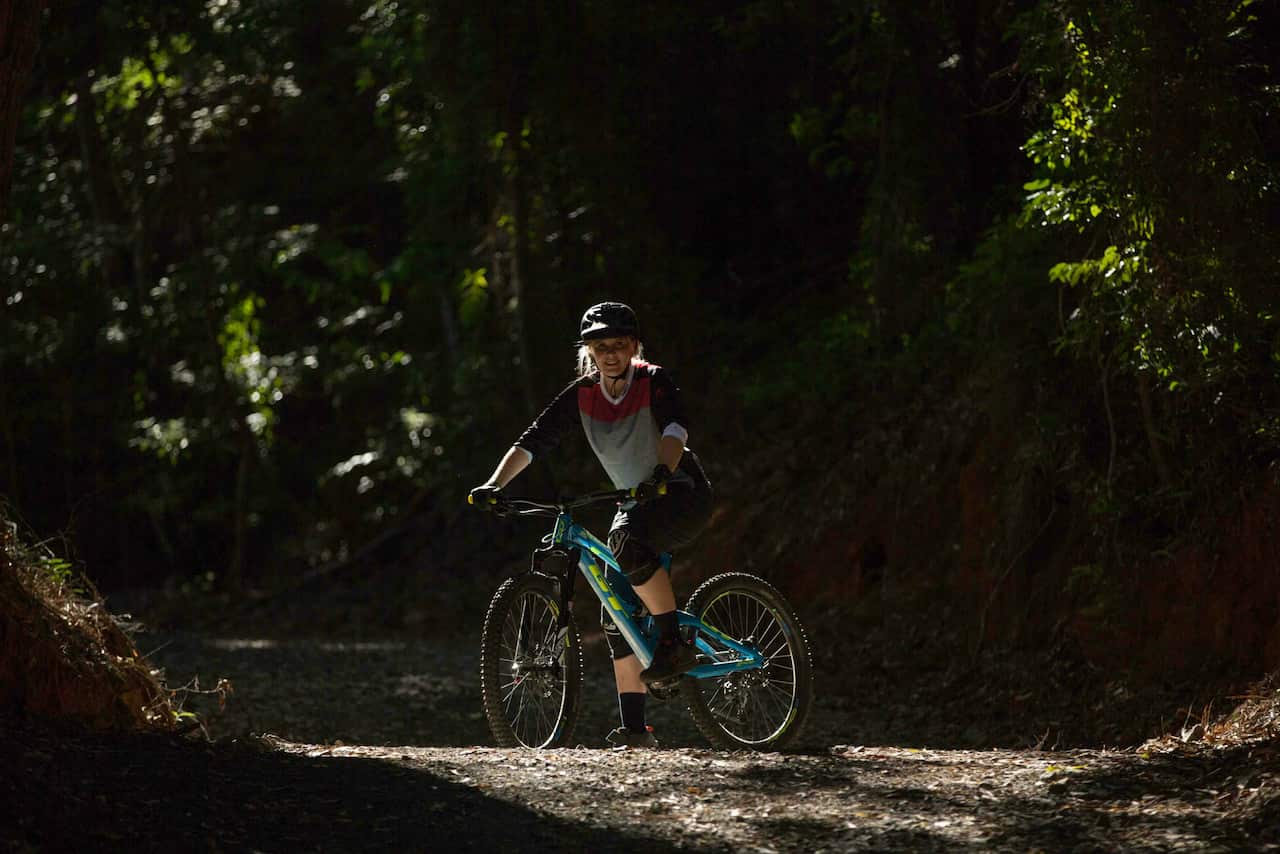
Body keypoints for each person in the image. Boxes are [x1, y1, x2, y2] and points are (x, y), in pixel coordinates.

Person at [470, 301, 713, 748]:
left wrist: (662, 473)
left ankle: (672, 641)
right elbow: (533, 441)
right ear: (588, 352)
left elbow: (676, 428)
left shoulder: (653, 380)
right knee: (615, 610)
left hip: (680, 491)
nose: (611, 354)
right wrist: (493, 484)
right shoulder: (582, 394)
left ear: (635, 346)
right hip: (633, 501)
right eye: (600, 347)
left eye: (620, 345)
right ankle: (636, 731)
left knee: (627, 541)